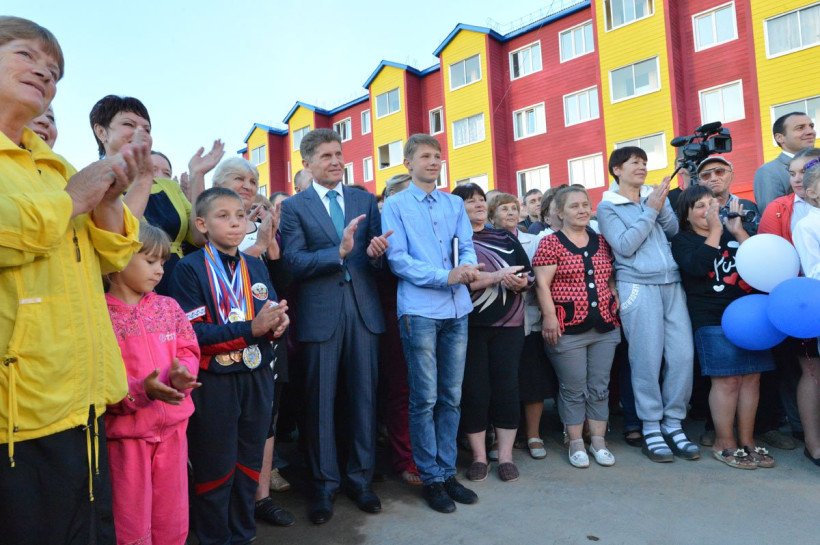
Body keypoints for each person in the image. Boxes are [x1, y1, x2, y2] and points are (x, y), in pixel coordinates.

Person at [0, 16, 145, 543]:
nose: (45, 72)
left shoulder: (56, 166)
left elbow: (112, 256)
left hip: (81, 397)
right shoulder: (66, 182)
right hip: (18, 412)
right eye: (26, 55)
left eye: (54, 70)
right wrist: (72, 199)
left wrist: (108, 200)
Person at [279, 128, 390, 524]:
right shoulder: (295, 207)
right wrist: (336, 252)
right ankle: (324, 487)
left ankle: (360, 481)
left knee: (364, 400)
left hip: (363, 312)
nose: (336, 161)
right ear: (307, 163)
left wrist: (376, 253)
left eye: (339, 153)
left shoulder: (364, 199)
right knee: (319, 405)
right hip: (320, 315)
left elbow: (377, 260)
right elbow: (292, 261)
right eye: (326, 156)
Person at [169, 187, 289, 544]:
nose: (235, 223)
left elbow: (268, 315)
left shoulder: (255, 265)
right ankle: (214, 537)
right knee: (215, 467)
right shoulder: (188, 268)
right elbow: (193, 334)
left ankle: (243, 533)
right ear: (202, 224)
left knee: (249, 463)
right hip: (215, 381)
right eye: (223, 216)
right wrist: (252, 329)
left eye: (239, 215)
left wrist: (279, 324)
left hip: (257, 376)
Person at [381, 134, 482, 513]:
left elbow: (466, 245)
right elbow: (398, 260)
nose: (434, 161)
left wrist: (466, 267)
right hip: (420, 310)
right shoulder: (395, 205)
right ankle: (430, 477)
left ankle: (446, 472)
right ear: (408, 163)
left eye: (437, 156)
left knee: (451, 396)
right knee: (424, 398)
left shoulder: (454, 203)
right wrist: (445, 276)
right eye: (425, 156)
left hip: (456, 310)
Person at [597, 146, 699, 463]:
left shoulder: (651, 197)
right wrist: (651, 210)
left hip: (671, 283)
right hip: (637, 286)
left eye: (644, 162)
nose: (642, 167)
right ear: (617, 170)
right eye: (634, 162)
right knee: (646, 359)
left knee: (682, 357)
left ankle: (673, 423)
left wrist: (660, 204)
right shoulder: (607, 206)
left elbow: (673, 232)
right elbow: (625, 246)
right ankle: (651, 426)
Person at [105, 223, 202, 544]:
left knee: (172, 516)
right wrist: (141, 391)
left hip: (174, 432)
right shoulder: (100, 315)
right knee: (130, 523)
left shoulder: (169, 307)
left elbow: (188, 350)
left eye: (162, 262)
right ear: (117, 260)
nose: (160, 270)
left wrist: (182, 374)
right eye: (150, 261)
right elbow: (102, 376)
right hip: (126, 438)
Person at [672, 186, 776, 470]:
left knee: (752, 378)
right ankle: (723, 442)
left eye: (712, 204)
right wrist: (717, 231)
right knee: (727, 381)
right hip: (711, 318)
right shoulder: (682, 240)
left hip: (749, 316)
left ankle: (747, 441)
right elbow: (696, 267)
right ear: (686, 216)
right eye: (700, 206)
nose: (709, 210)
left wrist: (739, 232)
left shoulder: (732, 233)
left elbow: (762, 265)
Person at [89, 95, 225, 293]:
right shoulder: (91, 181)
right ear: (102, 132)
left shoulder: (168, 187)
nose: (140, 132)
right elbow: (118, 237)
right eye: (128, 124)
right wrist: (142, 178)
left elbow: (199, 236)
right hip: (126, 287)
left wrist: (198, 175)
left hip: (179, 281)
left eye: (146, 129)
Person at [533, 186, 621, 468]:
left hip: (605, 326)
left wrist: (612, 288)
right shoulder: (550, 243)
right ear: (560, 212)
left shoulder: (602, 241)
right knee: (573, 388)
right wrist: (549, 317)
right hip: (567, 328)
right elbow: (542, 284)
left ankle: (598, 442)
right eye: (574, 206)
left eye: (585, 204)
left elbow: (608, 273)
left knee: (599, 387)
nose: (582, 210)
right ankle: (575, 443)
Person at [453, 187, 530, 483]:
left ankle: (506, 456)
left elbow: (528, 273)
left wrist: (521, 283)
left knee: (507, 388)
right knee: (475, 391)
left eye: (481, 200)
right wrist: (496, 277)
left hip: (509, 326)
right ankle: (479, 457)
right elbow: (456, 281)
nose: (478, 204)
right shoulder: (456, 240)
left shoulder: (506, 237)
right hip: (470, 326)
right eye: (470, 201)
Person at [490, 193, 552, 460]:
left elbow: (542, 277)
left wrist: (526, 284)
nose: (510, 213)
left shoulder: (532, 240)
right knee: (502, 382)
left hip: (529, 318)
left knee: (532, 379)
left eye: (514, 208)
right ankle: (500, 436)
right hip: (499, 321)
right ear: (492, 216)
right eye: (503, 208)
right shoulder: (485, 240)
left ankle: (533, 434)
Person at [377, 174, 422, 485]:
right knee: (403, 390)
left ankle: (429, 454)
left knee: (429, 390)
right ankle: (406, 458)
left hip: (432, 310)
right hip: (393, 314)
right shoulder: (381, 230)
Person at [791, 161, 820, 467]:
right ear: (811, 192)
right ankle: (814, 444)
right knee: (814, 374)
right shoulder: (807, 226)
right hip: (816, 308)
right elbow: (813, 272)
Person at [754, 112, 817, 212]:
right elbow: (773, 216)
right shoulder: (769, 172)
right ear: (780, 138)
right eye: (800, 128)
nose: (811, 132)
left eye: (811, 126)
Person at [759, 148, 820, 244]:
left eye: (804, 172)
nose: (796, 179)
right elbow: (769, 248)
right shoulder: (777, 208)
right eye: (792, 174)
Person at [696, 156, 759, 235]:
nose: (713, 178)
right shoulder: (696, 212)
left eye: (719, 172)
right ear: (699, 182)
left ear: (732, 176)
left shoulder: (747, 206)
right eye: (706, 175)